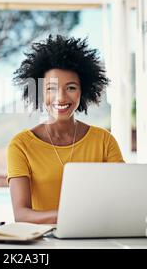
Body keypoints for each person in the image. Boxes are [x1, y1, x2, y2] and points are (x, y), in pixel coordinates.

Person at [7, 35, 125, 224]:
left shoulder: (103, 140)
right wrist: (72, 217)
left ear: (83, 90)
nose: (60, 98)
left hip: (97, 237)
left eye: (70, 87)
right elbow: (21, 214)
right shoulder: (21, 145)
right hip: (44, 242)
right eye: (51, 89)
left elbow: (124, 197)